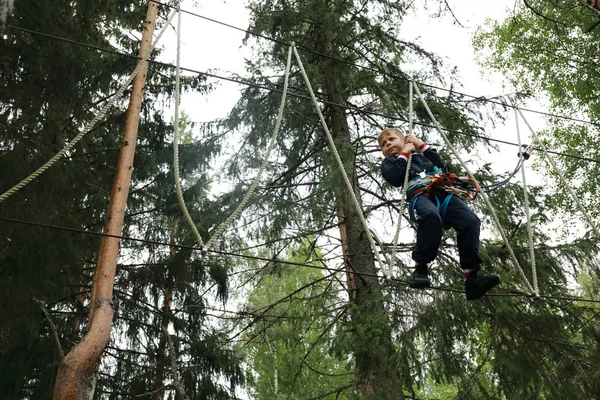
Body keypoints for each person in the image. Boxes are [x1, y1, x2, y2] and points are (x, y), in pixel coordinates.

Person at [378, 128, 499, 300]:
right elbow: (395, 177)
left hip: (443, 193)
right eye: (384, 144)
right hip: (420, 194)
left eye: (391, 139)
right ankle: (420, 267)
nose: (388, 143)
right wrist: (405, 153)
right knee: (430, 216)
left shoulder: (421, 158)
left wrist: (420, 144)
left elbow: (440, 164)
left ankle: (471, 277)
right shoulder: (390, 163)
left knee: (470, 221)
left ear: (405, 140)